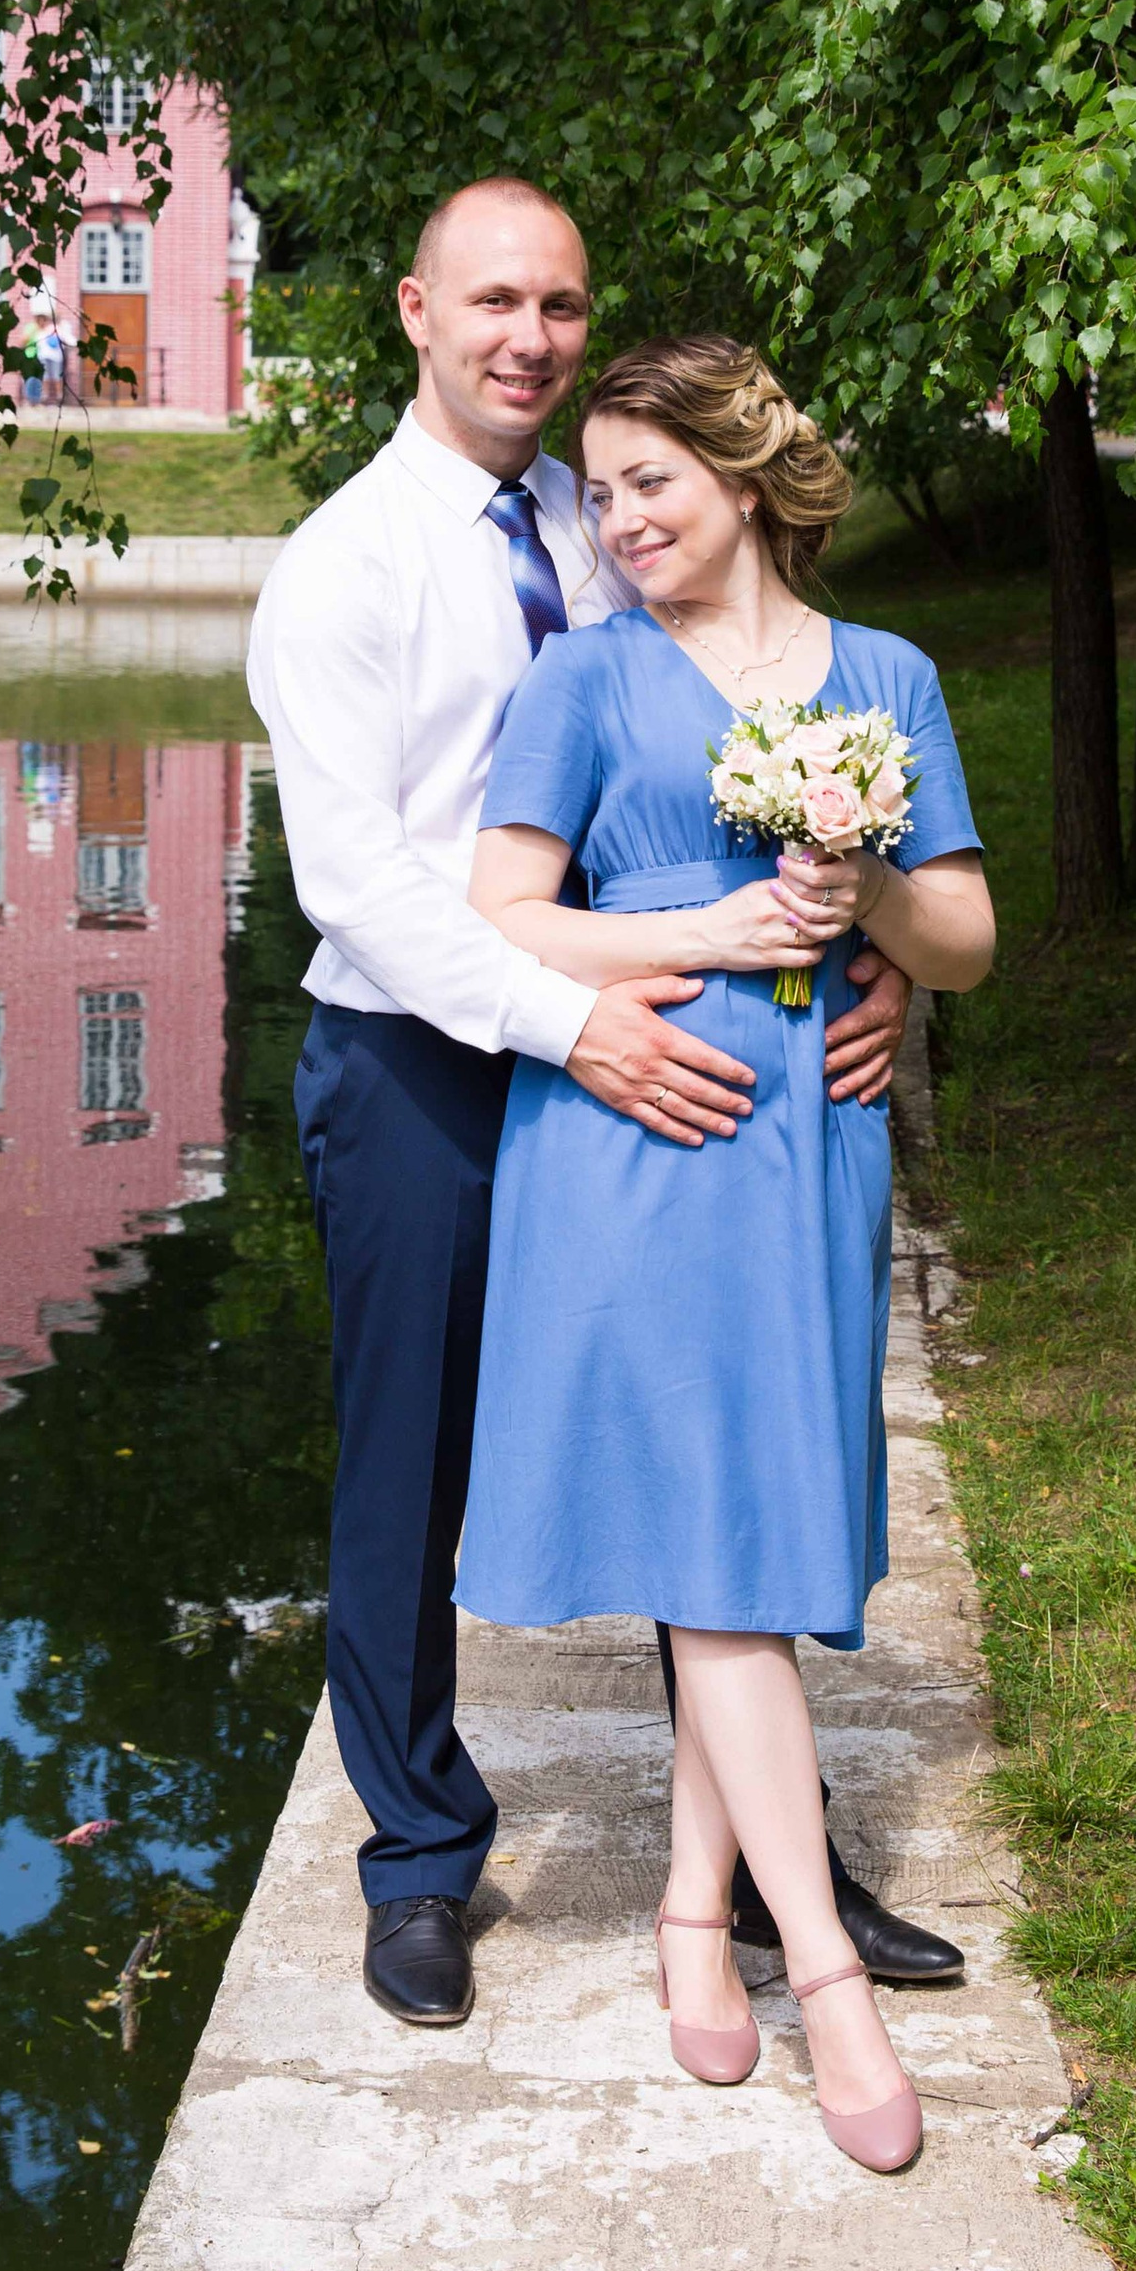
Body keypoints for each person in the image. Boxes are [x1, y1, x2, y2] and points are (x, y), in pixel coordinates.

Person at [245, 178, 949, 2033]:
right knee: (406, 1458)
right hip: (422, 1048)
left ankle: (759, 1864)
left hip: (642, 1036)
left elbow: (763, 750)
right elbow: (366, 891)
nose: (529, 339)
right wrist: (580, 1020)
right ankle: (418, 1859)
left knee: (692, 1421)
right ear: (414, 310)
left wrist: (860, 951)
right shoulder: (341, 567)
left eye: (557, 303)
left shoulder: (608, 507)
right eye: (493, 301)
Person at [456, 336, 995, 2170]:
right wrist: (721, 909)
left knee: (742, 1535)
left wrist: (867, 901)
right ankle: (822, 1972)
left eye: (649, 485)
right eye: (595, 495)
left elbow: (971, 939)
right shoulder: (583, 679)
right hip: (638, 1139)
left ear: (745, 476)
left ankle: (697, 1913)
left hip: (812, 1143)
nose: (618, 523)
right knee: (727, 1566)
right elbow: (505, 916)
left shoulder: (890, 676)